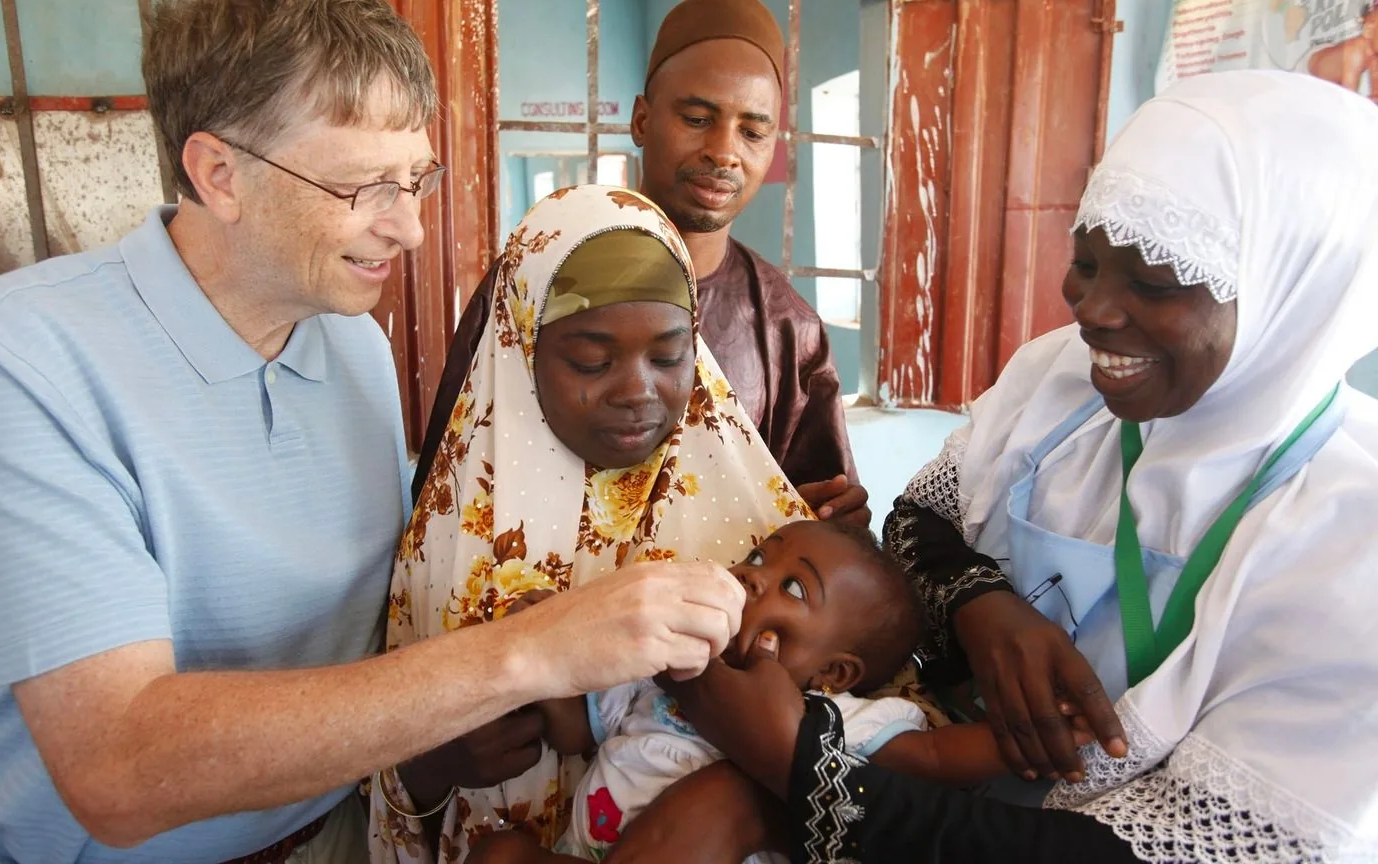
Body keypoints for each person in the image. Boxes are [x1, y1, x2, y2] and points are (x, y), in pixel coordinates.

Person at [0, 0, 745, 864]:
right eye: (362, 188)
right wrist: (534, 651)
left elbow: (393, 618)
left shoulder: (350, 342)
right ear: (218, 174)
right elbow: (119, 768)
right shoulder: (18, 354)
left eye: (416, 178)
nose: (407, 227)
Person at [588, 70, 1378, 863]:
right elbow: (920, 522)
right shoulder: (1063, 386)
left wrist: (792, 770)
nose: (1093, 311)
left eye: (1153, 284)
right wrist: (982, 603)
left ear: (1291, 295)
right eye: (1086, 261)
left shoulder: (1348, 549)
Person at [371, 185, 840, 864]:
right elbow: (378, 764)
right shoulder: (453, 533)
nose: (637, 391)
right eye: (591, 362)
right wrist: (426, 767)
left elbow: (870, 750)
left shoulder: (761, 529)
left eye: (670, 356)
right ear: (520, 348)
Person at [417, 0, 868, 527]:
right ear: (641, 120)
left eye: (752, 131)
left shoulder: (787, 328)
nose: (724, 151)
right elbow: (447, 489)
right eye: (698, 118)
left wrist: (834, 523)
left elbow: (815, 527)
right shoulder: (537, 280)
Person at [466, 518, 1024, 864]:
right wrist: (547, 634)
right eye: (758, 556)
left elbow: (930, 756)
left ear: (834, 674)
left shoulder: (829, 719)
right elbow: (571, 734)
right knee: (500, 854)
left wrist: (1027, 736)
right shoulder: (663, 667)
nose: (752, 575)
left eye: (793, 587)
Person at [1306, 0, 1378, 101]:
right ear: (1368, 29)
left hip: (1332, 77)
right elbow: (1348, 99)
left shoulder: (1373, 55)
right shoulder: (1356, 50)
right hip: (1310, 69)